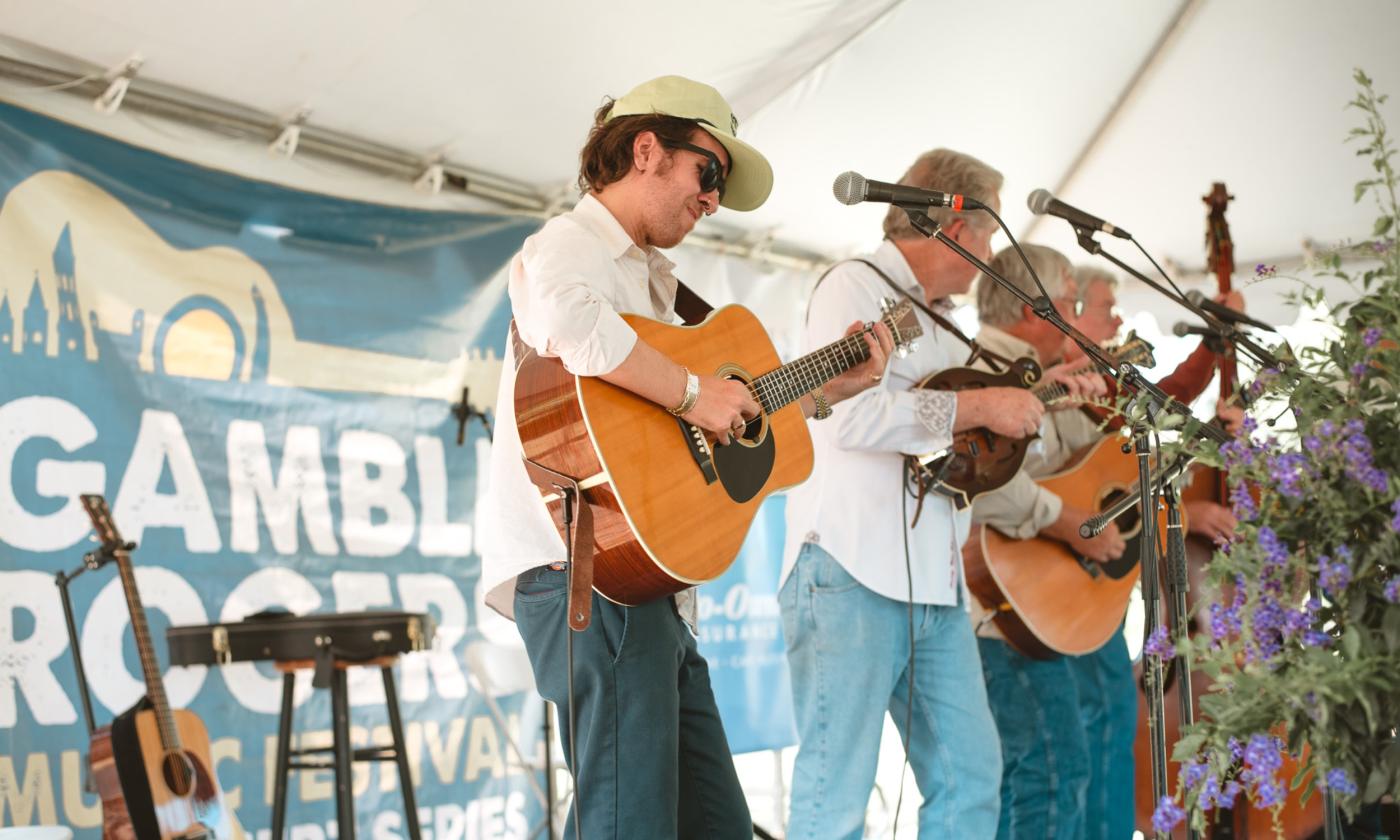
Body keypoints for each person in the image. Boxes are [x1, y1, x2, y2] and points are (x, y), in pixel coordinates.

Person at [477, 75, 893, 839]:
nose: (713, 200)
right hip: (587, 570)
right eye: (709, 173)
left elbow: (718, 420)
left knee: (709, 825)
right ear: (646, 150)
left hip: (644, 588)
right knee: (627, 820)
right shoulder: (570, 243)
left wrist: (832, 383)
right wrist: (692, 391)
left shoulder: (658, 286)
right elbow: (571, 325)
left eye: (722, 188)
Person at [780, 149, 1079, 839]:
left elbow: (961, 424)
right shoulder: (853, 288)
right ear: (954, 221)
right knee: (835, 799)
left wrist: (1033, 401)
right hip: (848, 571)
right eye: (991, 232)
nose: (992, 252)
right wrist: (981, 410)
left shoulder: (943, 319)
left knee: (972, 780)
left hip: (933, 583)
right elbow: (848, 417)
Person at [1064, 265, 1243, 840]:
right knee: (1079, 737)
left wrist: (1215, 347)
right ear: (1070, 314)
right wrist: (1191, 512)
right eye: (1107, 308)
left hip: (1102, 595)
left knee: (1108, 719)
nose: (1118, 319)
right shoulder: (1057, 385)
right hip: (1062, 587)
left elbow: (1169, 397)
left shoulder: (1106, 385)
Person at [965, 244, 1115, 840]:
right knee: (1050, 775)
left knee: (1034, 777)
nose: (1075, 319)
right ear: (1034, 309)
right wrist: (1063, 521)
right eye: (1070, 304)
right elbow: (985, 485)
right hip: (1000, 615)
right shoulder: (981, 368)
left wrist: (1092, 405)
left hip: (1032, 605)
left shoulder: (1035, 372)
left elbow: (1077, 463)